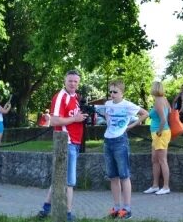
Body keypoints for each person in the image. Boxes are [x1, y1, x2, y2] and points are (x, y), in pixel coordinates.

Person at [38, 69, 89, 221]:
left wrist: (81, 117)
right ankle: (67, 214)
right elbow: (54, 121)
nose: (73, 83)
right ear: (64, 81)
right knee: (69, 181)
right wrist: (75, 119)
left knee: (59, 178)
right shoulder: (61, 97)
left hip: (74, 141)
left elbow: (74, 117)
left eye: (75, 81)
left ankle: (45, 209)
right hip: (66, 141)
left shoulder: (75, 97)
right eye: (70, 81)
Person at [98, 79, 148, 220]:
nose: (112, 94)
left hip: (120, 141)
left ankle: (127, 208)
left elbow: (145, 113)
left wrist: (130, 126)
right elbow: (107, 115)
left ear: (122, 93)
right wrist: (108, 119)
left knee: (124, 175)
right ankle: (116, 207)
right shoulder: (108, 104)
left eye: (115, 92)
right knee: (113, 176)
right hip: (108, 140)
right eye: (111, 91)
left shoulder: (127, 105)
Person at [143, 81, 172, 195]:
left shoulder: (158, 101)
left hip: (160, 133)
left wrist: (159, 132)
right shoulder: (164, 99)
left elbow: (164, 119)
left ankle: (166, 186)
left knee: (162, 160)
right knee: (154, 160)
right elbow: (169, 111)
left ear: (154, 89)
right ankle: (155, 185)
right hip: (158, 133)